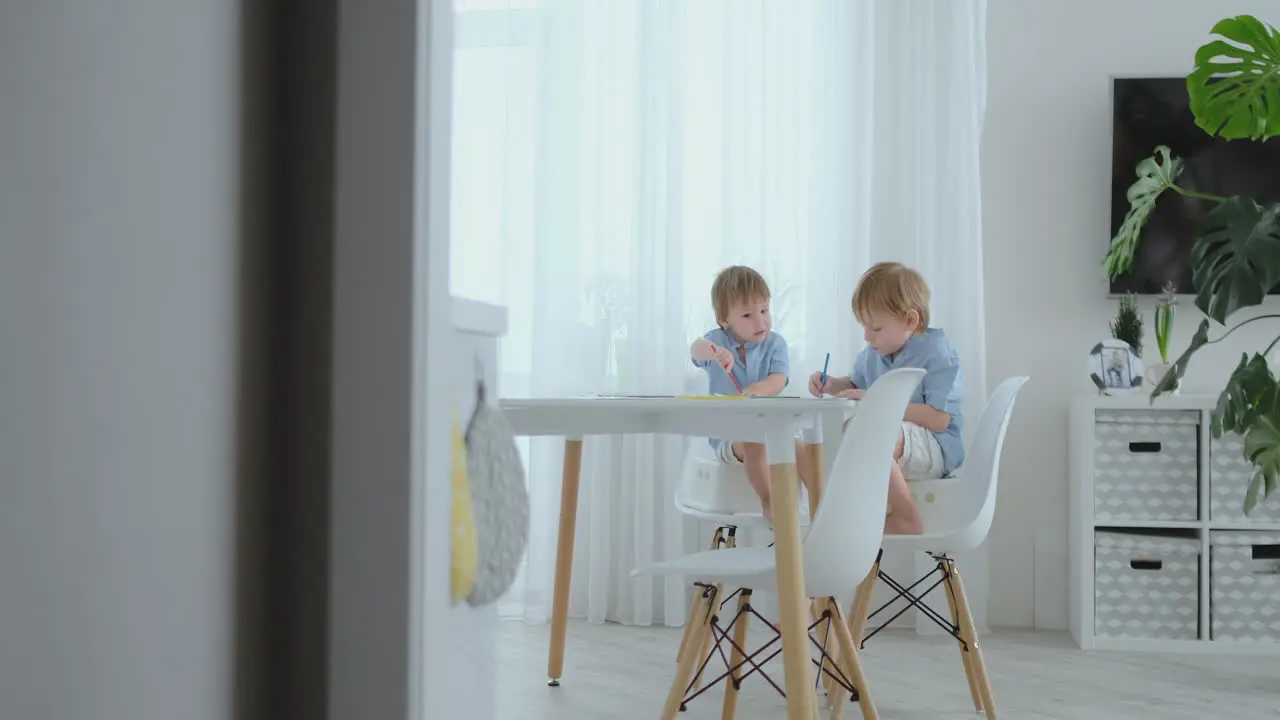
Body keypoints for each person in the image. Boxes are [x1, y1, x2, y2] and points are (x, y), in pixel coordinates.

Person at [807, 262, 964, 535]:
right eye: (864, 328)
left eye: (876, 328)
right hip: (896, 443)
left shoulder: (937, 353)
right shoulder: (875, 353)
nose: (867, 337)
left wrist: (876, 401)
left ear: (910, 321)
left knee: (869, 429)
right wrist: (832, 384)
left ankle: (905, 516)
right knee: (850, 430)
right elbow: (855, 384)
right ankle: (854, 512)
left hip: (934, 447)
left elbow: (939, 420)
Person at [690, 265, 813, 524]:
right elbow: (695, 350)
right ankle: (771, 500)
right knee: (754, 441)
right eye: (748, 315)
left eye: (764, 311)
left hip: (771, 426)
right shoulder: (716, 341)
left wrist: (758, 390)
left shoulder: (775, 343)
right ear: (725, 320)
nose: (761, 322)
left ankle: (820, 501)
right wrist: (711, 350)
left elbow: (779, 379)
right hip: (729, 435)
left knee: (799, 445)